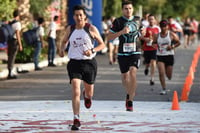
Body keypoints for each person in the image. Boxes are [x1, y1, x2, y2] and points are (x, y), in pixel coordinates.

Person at [59, 5, 105, 130]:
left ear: (85, 16)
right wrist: (61, 50)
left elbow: (102, 44)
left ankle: (87, 96)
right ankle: (76, 118)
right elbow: (64, 41)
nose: (79, 17)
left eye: (81, 15)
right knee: (75, 89)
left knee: (89, 93)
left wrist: (92, 50)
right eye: (76, 15)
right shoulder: (71, 28)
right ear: (73, 17)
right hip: (74, 63)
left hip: (89, 63)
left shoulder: (90, 28)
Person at [107, 1, 144, 111]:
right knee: (125, 77)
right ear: (122, 10)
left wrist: (145, 35)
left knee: (133, 72)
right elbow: (109, 37)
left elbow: (141, 34)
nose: (128, 10)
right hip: (122, 53)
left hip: (135, 51)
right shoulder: (118, 21)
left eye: (130, 8)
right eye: (126, 9)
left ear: (133, 9)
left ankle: (130, 100)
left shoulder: (138, 20)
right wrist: (121, 32)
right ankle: (129, 92)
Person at [152, 20, 180, 95]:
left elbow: (178, 42)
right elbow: (153, 43)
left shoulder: (171, 34)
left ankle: (168, 77)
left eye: (165, 26)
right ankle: (163, 88)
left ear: (167, 26)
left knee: (169, 76)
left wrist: (172, 47)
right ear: (160, 27)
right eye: (162, 26)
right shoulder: (157, 35)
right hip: (160, 56)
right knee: (161, 73)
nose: (164, 28)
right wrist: (154, 45)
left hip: (169, 55)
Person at [142, 14, 160, 85]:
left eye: (152, 19)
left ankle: (152, 78)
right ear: (148, 20)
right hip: (147, 48)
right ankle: (146, 68)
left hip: (154, 48)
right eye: (149, 19)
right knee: (147, 62)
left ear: (155, 20)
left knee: (153, 62)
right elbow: (140, 37)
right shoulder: (145, 28)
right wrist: (145, 39)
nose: (151, 21)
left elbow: (161, 36)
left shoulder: (158, 28)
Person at [7, 10, 23, 79]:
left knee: (10, 57)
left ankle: (10, 72)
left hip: (9, 41)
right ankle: (10, 73)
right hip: (14, 41)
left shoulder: (10, 22)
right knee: (12, 57)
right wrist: (20, 44)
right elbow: (17, 34)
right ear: (18, 16)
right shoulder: (17, 23)